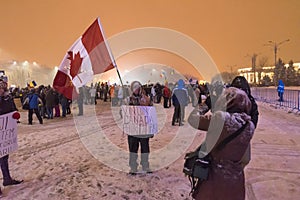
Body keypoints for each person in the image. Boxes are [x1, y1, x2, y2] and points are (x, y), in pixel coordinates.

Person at [188, 87, 255, 200]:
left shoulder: (220, 118)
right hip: (236, 179)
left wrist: (205, 106)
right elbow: (246, 159)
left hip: (214, 176)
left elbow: (193, 120)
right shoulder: (249, 125)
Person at [0, 79, 23, 196]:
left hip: (4, 135)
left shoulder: (8, 99)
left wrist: (15, 115)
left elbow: (14, 110)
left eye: (1, 87)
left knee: (4, 158)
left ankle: (7, 179)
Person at [127, 81, 153, 175]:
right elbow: (123, 113)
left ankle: (145, 165)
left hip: (143, 129)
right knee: (133, 149)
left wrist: (151, 128)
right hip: (133, 129)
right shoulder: (128, 100)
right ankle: (133, 167)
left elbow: (151, 113)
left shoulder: (146, 99)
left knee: (145, 148)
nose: (137, 90)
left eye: (138, 88)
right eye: (135, 88)